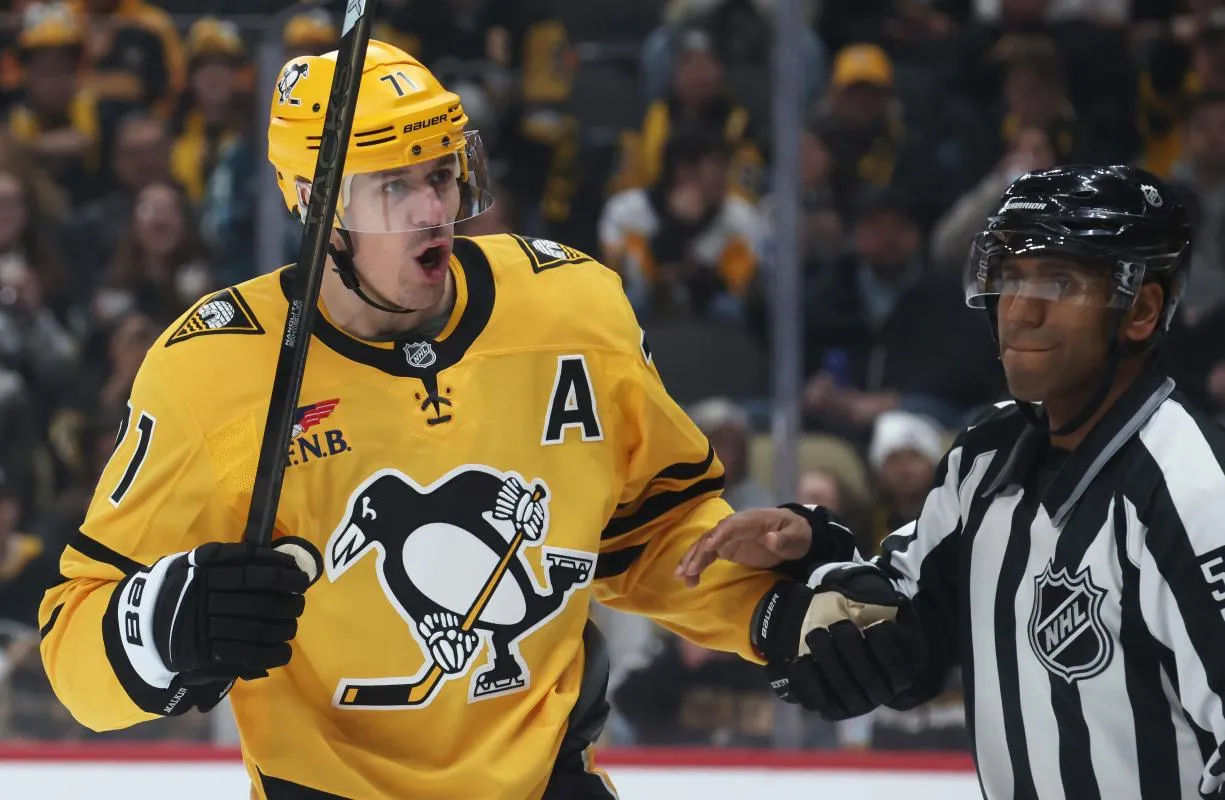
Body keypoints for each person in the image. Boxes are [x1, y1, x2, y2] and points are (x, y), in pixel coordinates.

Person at [38, 42, 800, 799]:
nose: (434, 212)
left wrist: (783, 608)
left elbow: (651, 533)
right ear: (313, 203)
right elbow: (75, 648)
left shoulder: (573, 309)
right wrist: (169, 623)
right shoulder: (212, 370)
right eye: (393, 186)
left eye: (440, 175)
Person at [678, 165, 1225, 799]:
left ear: (1142, 309)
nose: (1020, 309)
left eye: (1059, 280)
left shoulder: (1193, 490)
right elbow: (910, 620)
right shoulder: (985, 455)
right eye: (1012, 278)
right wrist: (811, 548)